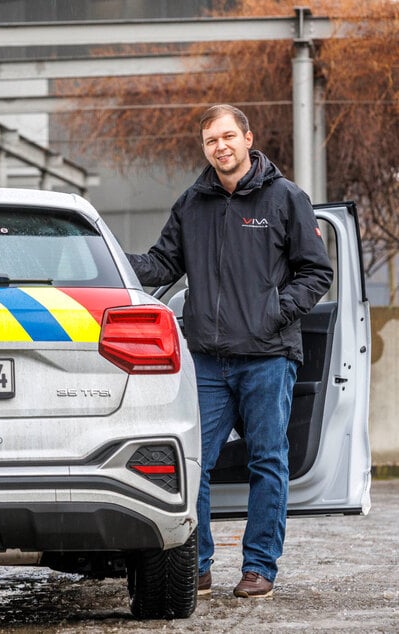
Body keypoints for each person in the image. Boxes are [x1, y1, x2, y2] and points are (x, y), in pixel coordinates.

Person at [126, 104, 333, 599]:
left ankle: (259, 566)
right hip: (209, 362)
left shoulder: (285, 199)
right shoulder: (191, 204)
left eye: (226, 137)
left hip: (267, 357)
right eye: (210, 141)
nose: (219, 147)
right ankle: (195, 564)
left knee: (268, 461)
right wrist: (107, 262)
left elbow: (316, 273)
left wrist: (275, 312)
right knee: (193, 462)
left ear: (247, 138)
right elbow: (161, 264)